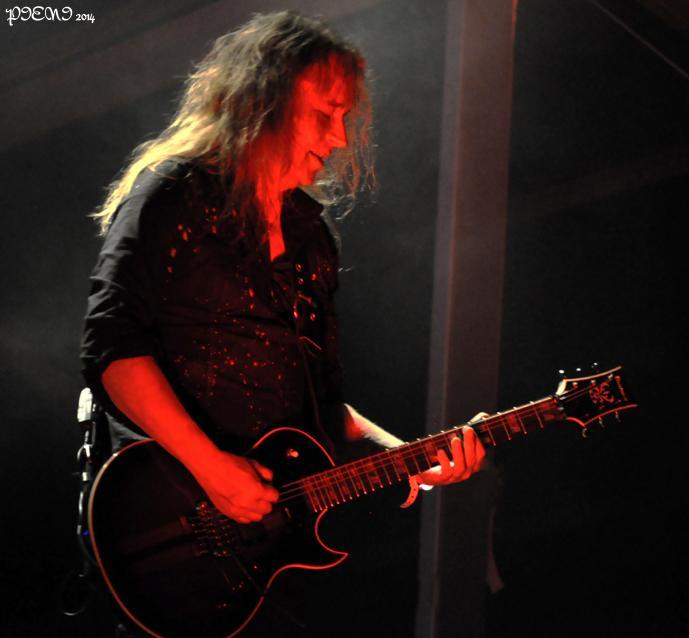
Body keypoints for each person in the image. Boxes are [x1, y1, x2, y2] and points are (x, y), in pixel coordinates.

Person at [81, 11, 485, 529]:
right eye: (324, 114)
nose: (339, 138)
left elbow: (321, 403)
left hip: (270, 535)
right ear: (262, 102)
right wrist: (212, 468)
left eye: (343, 117)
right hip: (167, 516)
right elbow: (113, 349)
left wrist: (406, 456)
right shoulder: (175, 193)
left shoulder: (309, 235)